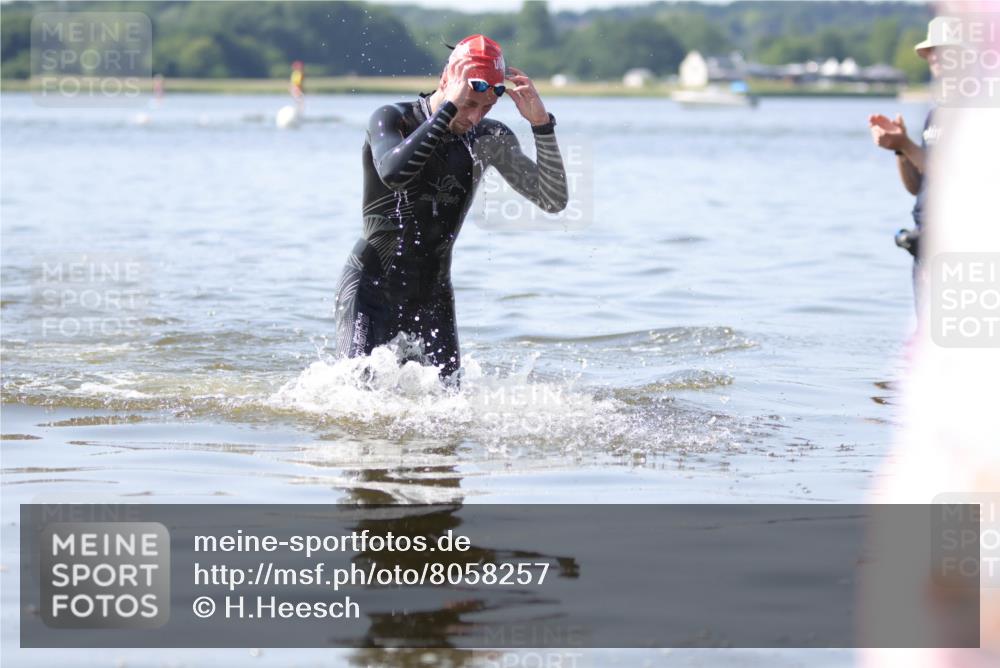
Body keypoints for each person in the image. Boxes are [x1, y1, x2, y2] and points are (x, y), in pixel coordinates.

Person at [332, 34, 568, 380]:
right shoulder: (392, 119)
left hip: (433, 297)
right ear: (447, 81)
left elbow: (552, 199)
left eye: (486, 108)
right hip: (370, 289)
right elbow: (395, 174)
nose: (474, 117)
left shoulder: (490, 139)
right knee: (358, 398)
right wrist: (446, 112)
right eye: (469, 104)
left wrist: (541, 125)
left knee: (448, 411)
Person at [867, 17, 960, 306]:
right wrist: (900, 149)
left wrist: (906, 145)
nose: (934, 56)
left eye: (945, 49)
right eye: (931, 50)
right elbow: (918, 186)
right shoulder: (938, 111)